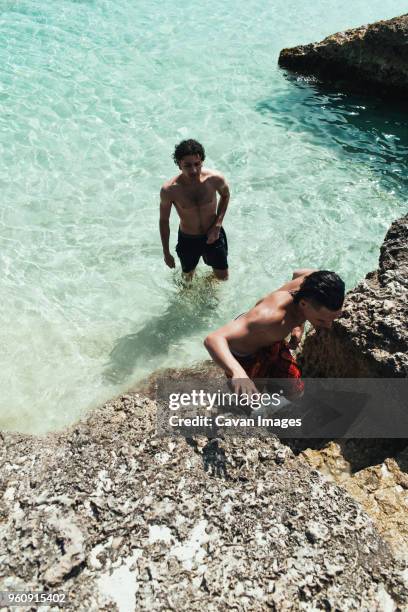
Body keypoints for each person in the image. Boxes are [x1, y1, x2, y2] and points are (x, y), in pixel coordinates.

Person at [204, 270, 345, 398]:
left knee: (296, 391)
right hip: (244, 353)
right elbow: (213, 339)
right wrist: (238, 373)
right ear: (303, 304)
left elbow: (298, 272)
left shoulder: (310, 283)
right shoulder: (270, 317)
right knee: (251, 401)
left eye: (333, 318)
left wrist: (298, 327)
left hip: (272, 340)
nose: (329, 325)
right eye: (322, 320)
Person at [159, 139, 230, 281]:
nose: (193, 170)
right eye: (187, 165)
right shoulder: (170, 190)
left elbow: (225, 195)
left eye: (197, 164)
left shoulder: (215, 179)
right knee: (187, 278)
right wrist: (166, 252)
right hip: (188, 239)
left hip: (213, 234)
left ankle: (207, 284)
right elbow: (164, 221)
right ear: (179, 164)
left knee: (222, 277)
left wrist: (217, 225)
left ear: (202, 161)